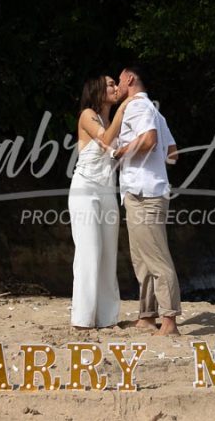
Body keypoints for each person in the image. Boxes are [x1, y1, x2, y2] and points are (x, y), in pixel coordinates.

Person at [113, 65, 181, 336]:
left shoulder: (137, 106)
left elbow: (150, 140)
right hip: (146, 189)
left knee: (155, 258)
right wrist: (155, 166)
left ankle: (170, 320)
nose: (117, 87)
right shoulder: (154, 110)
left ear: (129, 78)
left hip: (145, 193)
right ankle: (147, 316)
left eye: (119, 81)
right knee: (141, 257)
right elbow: (173, 152)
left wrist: (122, 152)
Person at [68, 75, 131, 329]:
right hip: (85, 189)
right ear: (96, 89)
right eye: (110, 84)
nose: (116, 88)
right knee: (89, 251)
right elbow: (105, 140)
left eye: (116, 84)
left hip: (107, 190)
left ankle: (107, 318)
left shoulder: (115, 119)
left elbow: (119, 150)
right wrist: (124, 107)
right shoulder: (87, 115)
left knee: (107, 254)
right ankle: (82, 320)